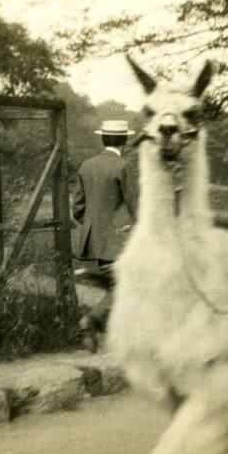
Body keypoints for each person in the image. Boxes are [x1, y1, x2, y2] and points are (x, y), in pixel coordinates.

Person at [73, 120, 138, 352]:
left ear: (103, 139)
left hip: (96, 240)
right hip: (120, 240)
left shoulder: (86, 166)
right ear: (125, 140)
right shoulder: (124, 166)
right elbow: (136, 207)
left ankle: (120, 340)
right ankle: (91, 321)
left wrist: (96, 227)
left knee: (116, 286)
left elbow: (78, 208)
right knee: (128, 287)